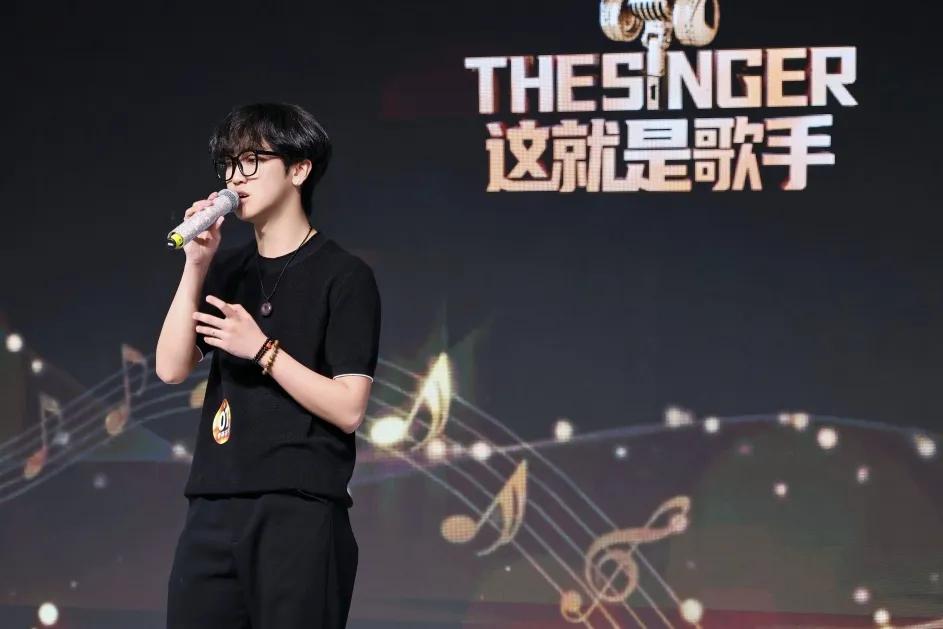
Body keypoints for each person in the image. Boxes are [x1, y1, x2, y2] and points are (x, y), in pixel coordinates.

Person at [155, 102, 381, 628]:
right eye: (229, 164)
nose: (236, 177)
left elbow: (349, 408)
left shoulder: (344, 276)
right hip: (213, 504)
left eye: (252, 160)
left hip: (299, 510)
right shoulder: (228, 269)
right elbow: (170, 367)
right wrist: (197, 265)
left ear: (299, 169)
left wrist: (261, 350)